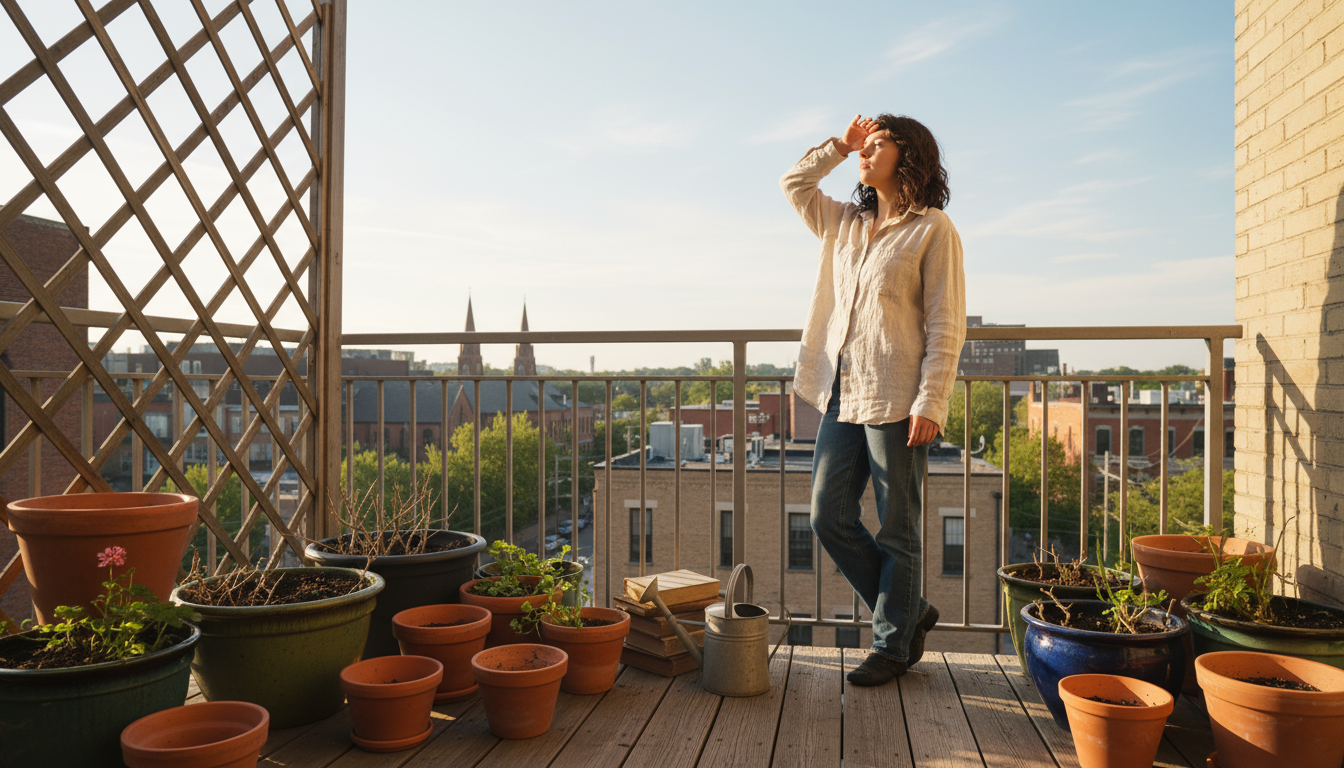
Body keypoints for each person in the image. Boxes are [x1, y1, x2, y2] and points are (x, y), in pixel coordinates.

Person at [781, 114, 966, 686]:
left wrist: (931, 401)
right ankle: (908, 611)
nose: (868, 151)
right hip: (842, 392)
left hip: (897, 396)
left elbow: (945, 322)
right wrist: (841, 145)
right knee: (827, 517)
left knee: (897, 528)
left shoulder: (933, 229)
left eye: (879, 143)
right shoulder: (845, 222)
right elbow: (795, 185)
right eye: (867, 143)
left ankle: (892, 644)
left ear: (909, 156)